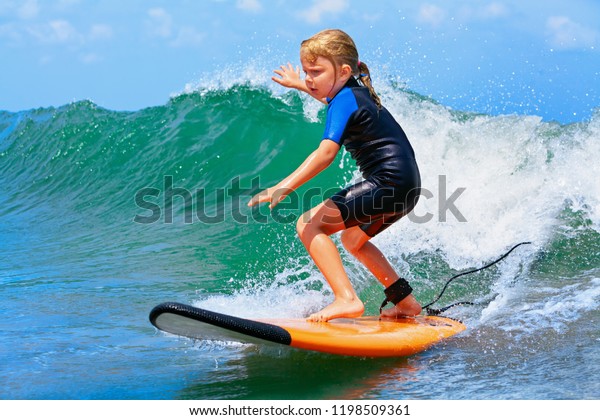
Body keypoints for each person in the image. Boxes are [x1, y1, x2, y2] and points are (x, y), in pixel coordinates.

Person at [248, 29, 422, 322]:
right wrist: (301, 86)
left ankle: (346, 299)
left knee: (308, 224)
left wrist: (284, 186)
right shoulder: (353, 93)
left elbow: (325, 154)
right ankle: (407, 304)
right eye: (306, 72)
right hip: (407, 186)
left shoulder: (343, 100)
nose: (310, 79)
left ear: (342, 71)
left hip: (388, 182)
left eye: (316, 72)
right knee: (353, 240)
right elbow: (335, 102)